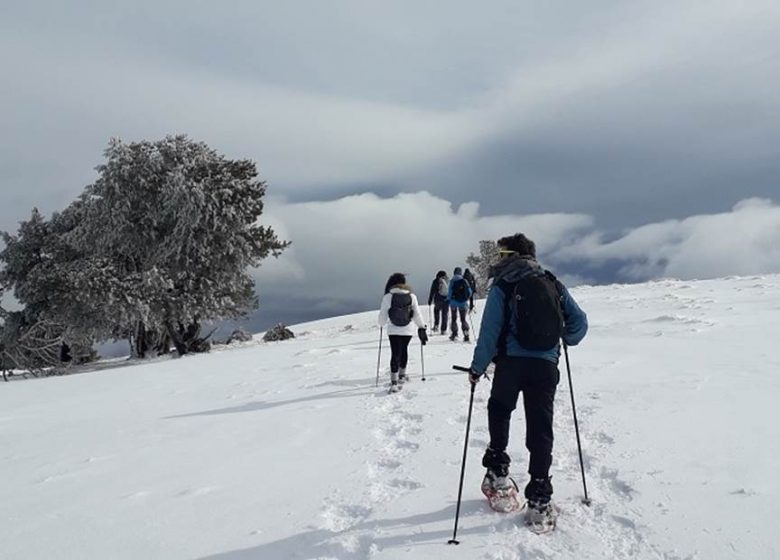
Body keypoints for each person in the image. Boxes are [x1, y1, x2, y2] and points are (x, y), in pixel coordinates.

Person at [466, 233, 588, 517]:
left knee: (499, 409)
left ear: (508, 256)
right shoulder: (551, 283)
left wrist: (477, 368)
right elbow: (579, 323)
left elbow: (489, 332)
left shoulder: (504, 285)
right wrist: (564, 338)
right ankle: (540, 498)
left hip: (510, 364)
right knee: (540, 427)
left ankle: (498, 474)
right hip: (545, 366)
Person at [378, 273, 428, 390]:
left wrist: (381, 324)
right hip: (407, 330)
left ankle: (394, 382)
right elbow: (417, 314)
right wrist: (421, 326)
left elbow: (382, 316)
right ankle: (402, 376)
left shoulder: (388, 297)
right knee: (404, 350)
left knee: (395, 353)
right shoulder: (412, 296)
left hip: (393, 330)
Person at [448, 267, 473, 342]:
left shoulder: (452, 281)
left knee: (453, 319)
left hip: (453, 303)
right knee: (463, 319)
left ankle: (454, 334)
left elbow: (449, 292)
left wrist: (449, 299)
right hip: (463, 302)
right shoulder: (464, 280)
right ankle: (466, 335)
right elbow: (470, 292)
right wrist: (466, 299)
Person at [427, 270, 449, 334]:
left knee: (436, 311)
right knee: (444, 314)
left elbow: (432, 291)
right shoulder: (448, 281)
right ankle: (443, 330)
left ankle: (436, 326)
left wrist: (430, 300)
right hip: (446, 300)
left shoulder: (436, 281)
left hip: (438, 300)